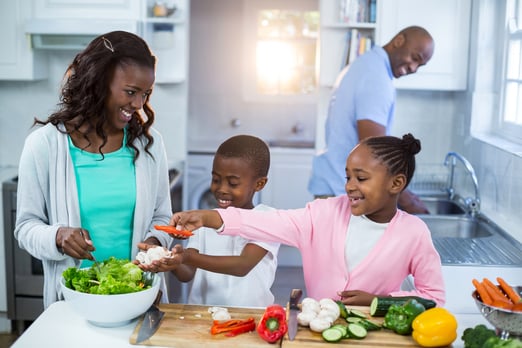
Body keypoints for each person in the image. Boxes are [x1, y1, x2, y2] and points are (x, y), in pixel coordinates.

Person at [169, 134, 445, 307]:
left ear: (396, 183)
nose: (349, 186)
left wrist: (379, 302)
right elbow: (269, 222)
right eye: (347, 176)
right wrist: (209, 217)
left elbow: (433, 297)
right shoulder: (324, 214)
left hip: (378, 335)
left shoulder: (414, 233)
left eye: (360, 178)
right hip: (317, 333)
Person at [14, 31, 173, 308]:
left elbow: (162, 216)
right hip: (76, 301)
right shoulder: (45, 145)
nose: (138, 105)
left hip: (140, 296)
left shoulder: (149, 144)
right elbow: (26, 228)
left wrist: (154, 242)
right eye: (131, 92)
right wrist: (58, 236)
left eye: (145, 94)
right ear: (98, 83)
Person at [138, 135, 280, 307]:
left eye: (233, 183)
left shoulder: (267, 219)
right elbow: (187, 274)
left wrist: (187, 257)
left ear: (259, 184)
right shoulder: (204, 222)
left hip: (252, 316)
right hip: (203, 315)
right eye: (216, 180)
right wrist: (166, 257)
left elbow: (242, 266)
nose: (221, 189)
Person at [308, 26, 434, 214]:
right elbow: (374, 150)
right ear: (399, 41)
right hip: (342, 191)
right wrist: (406, 199)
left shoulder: (366, 65)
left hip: (335, 185)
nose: (413, 68)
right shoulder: (377, 78)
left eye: (420, 66)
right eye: (415, 58)